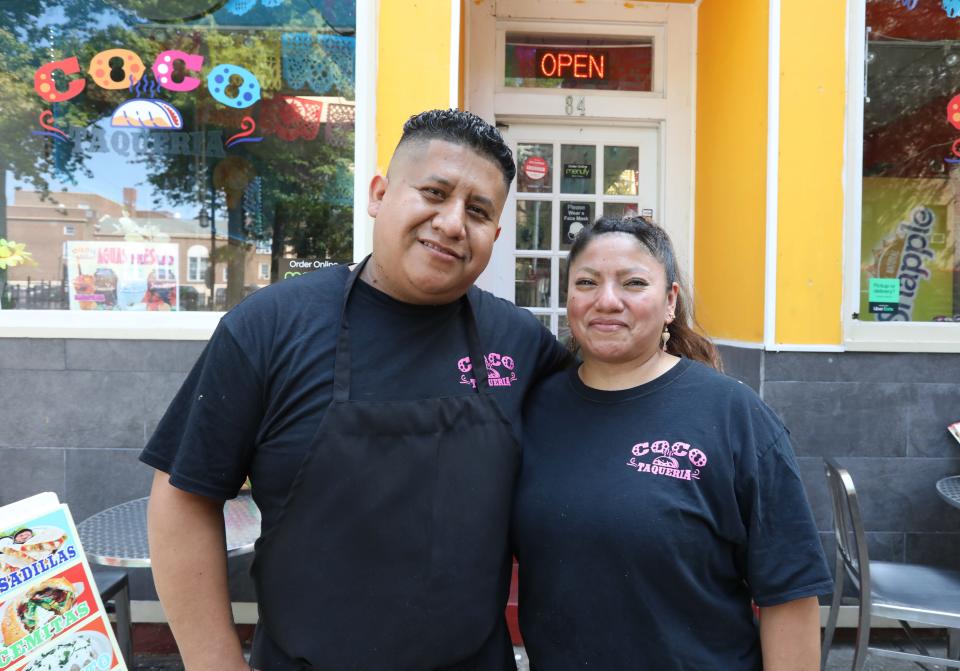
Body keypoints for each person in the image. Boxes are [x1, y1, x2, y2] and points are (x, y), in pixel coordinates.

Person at [141, 109, 571, 671]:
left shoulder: (520, 342)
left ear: (494, 232)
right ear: (378, 194)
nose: (450, 222)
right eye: (434, 192)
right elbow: (183, 497)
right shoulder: (271, 327)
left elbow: (605, 429)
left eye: (478, 210)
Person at [512, 216, 832, 670]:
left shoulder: (733, 415)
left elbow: (790, 592)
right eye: (587, 282)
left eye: (633, 282)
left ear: (669, 302)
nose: (606, 300)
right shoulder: (532, 410)